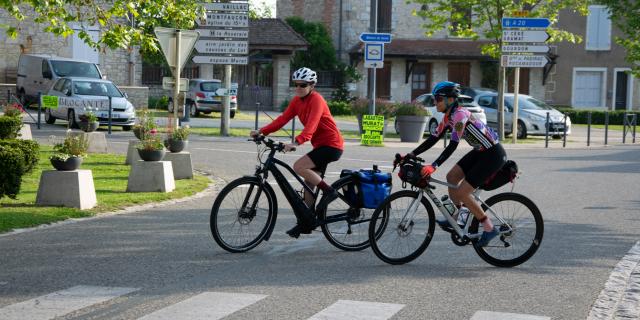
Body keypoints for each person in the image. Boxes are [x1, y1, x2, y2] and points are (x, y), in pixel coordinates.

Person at [397, 81, 507, 247]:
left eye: (438, 99)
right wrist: (410, 155)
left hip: (493, 155)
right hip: (480, 152)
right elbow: (433, 139)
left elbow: (453, 145)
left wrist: (434, 166)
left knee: (463, 192)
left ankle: (489, 227)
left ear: (450, 100)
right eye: (435, 98)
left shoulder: (460, 115)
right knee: (451, 177)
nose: (435, 102)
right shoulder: (448, 117)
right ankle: (458, 217)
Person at [250, 67, 344, 238]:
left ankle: (330, 192)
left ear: (312, 85)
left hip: (332, 145)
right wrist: (262, 131)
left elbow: (312, 126)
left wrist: (296, 142)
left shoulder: (317, 100)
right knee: (308, 184)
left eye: (303, 85)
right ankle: (307, 222)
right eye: (296, 85)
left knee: (299, 166)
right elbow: (282, 119)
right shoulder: (296, 101)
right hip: (320, 146)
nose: (299, 88)